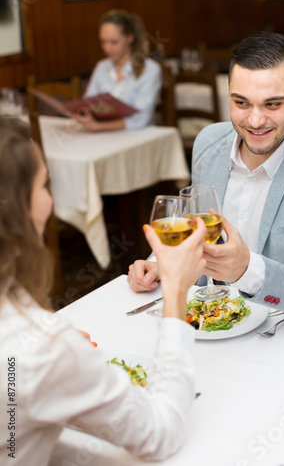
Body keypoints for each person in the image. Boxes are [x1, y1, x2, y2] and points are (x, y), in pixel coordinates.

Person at [0, 118, 207, 465]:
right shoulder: (41, 348)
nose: (51, 199)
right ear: (20, 209)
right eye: (45, 184)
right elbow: (160, 434)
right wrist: (175, 292)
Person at [128, 32, 284, 322]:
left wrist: (247, 270)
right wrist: (159, 264)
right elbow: (196, 229)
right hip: (216, 322)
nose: (255, 121)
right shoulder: (208, 143)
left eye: (273, 104)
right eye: (241, 103)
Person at [71, 9, 162, 132]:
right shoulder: (101, 67)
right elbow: (89, 103)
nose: (107, 48)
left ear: (130, 38)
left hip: (139, 136)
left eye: (114, 42)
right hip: (106, 136)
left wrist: (98, 126)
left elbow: (141, 119)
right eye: (103, 42)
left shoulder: (150, 70)